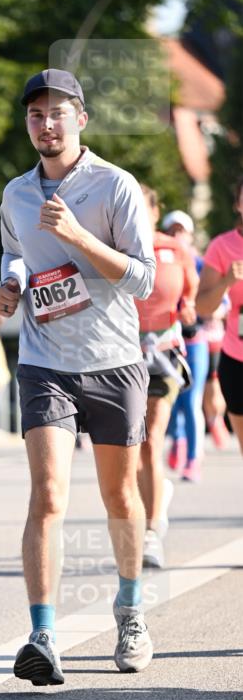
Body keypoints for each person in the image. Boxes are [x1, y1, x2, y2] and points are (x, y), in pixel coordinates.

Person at [0, 69, 156, 685]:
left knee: (120, 497)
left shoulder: (115, 185)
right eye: (36, 114)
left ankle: (131, 611)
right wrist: (10, 284)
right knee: (50, 495)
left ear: (80, 118)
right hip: (44, 363)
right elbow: (14, 249)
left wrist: (79, 237)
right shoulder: (16, 193)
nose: (46, 124)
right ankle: (42, 634)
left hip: (114, 361)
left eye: (57, 113)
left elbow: (141, 279)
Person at [135, 188, 198, 569]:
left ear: (155, 213)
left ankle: (151, 532)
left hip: (164, 352)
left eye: (141, 208)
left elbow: (190, 291)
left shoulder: (174, 249)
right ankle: (152, 506)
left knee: (152, 438)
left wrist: (188, 308)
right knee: (133, 444)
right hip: (122, 353)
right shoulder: (113, 247)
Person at [161, 210, 212, 479]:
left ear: (190, 236)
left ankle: (193, 459)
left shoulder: (201, 264)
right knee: (172, 401)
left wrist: (203, 310)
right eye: (172, 231)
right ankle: (177, 441)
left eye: (182, 231)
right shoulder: (160, 262)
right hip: (166, 342)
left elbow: (218, 303)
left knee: (192, 401)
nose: (177, 236)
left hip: (194, 343)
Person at [195, 176, 243, 454]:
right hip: (237, 359)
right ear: (238, 204)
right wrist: (225, 281)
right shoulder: (222, 246)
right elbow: (202, 307)